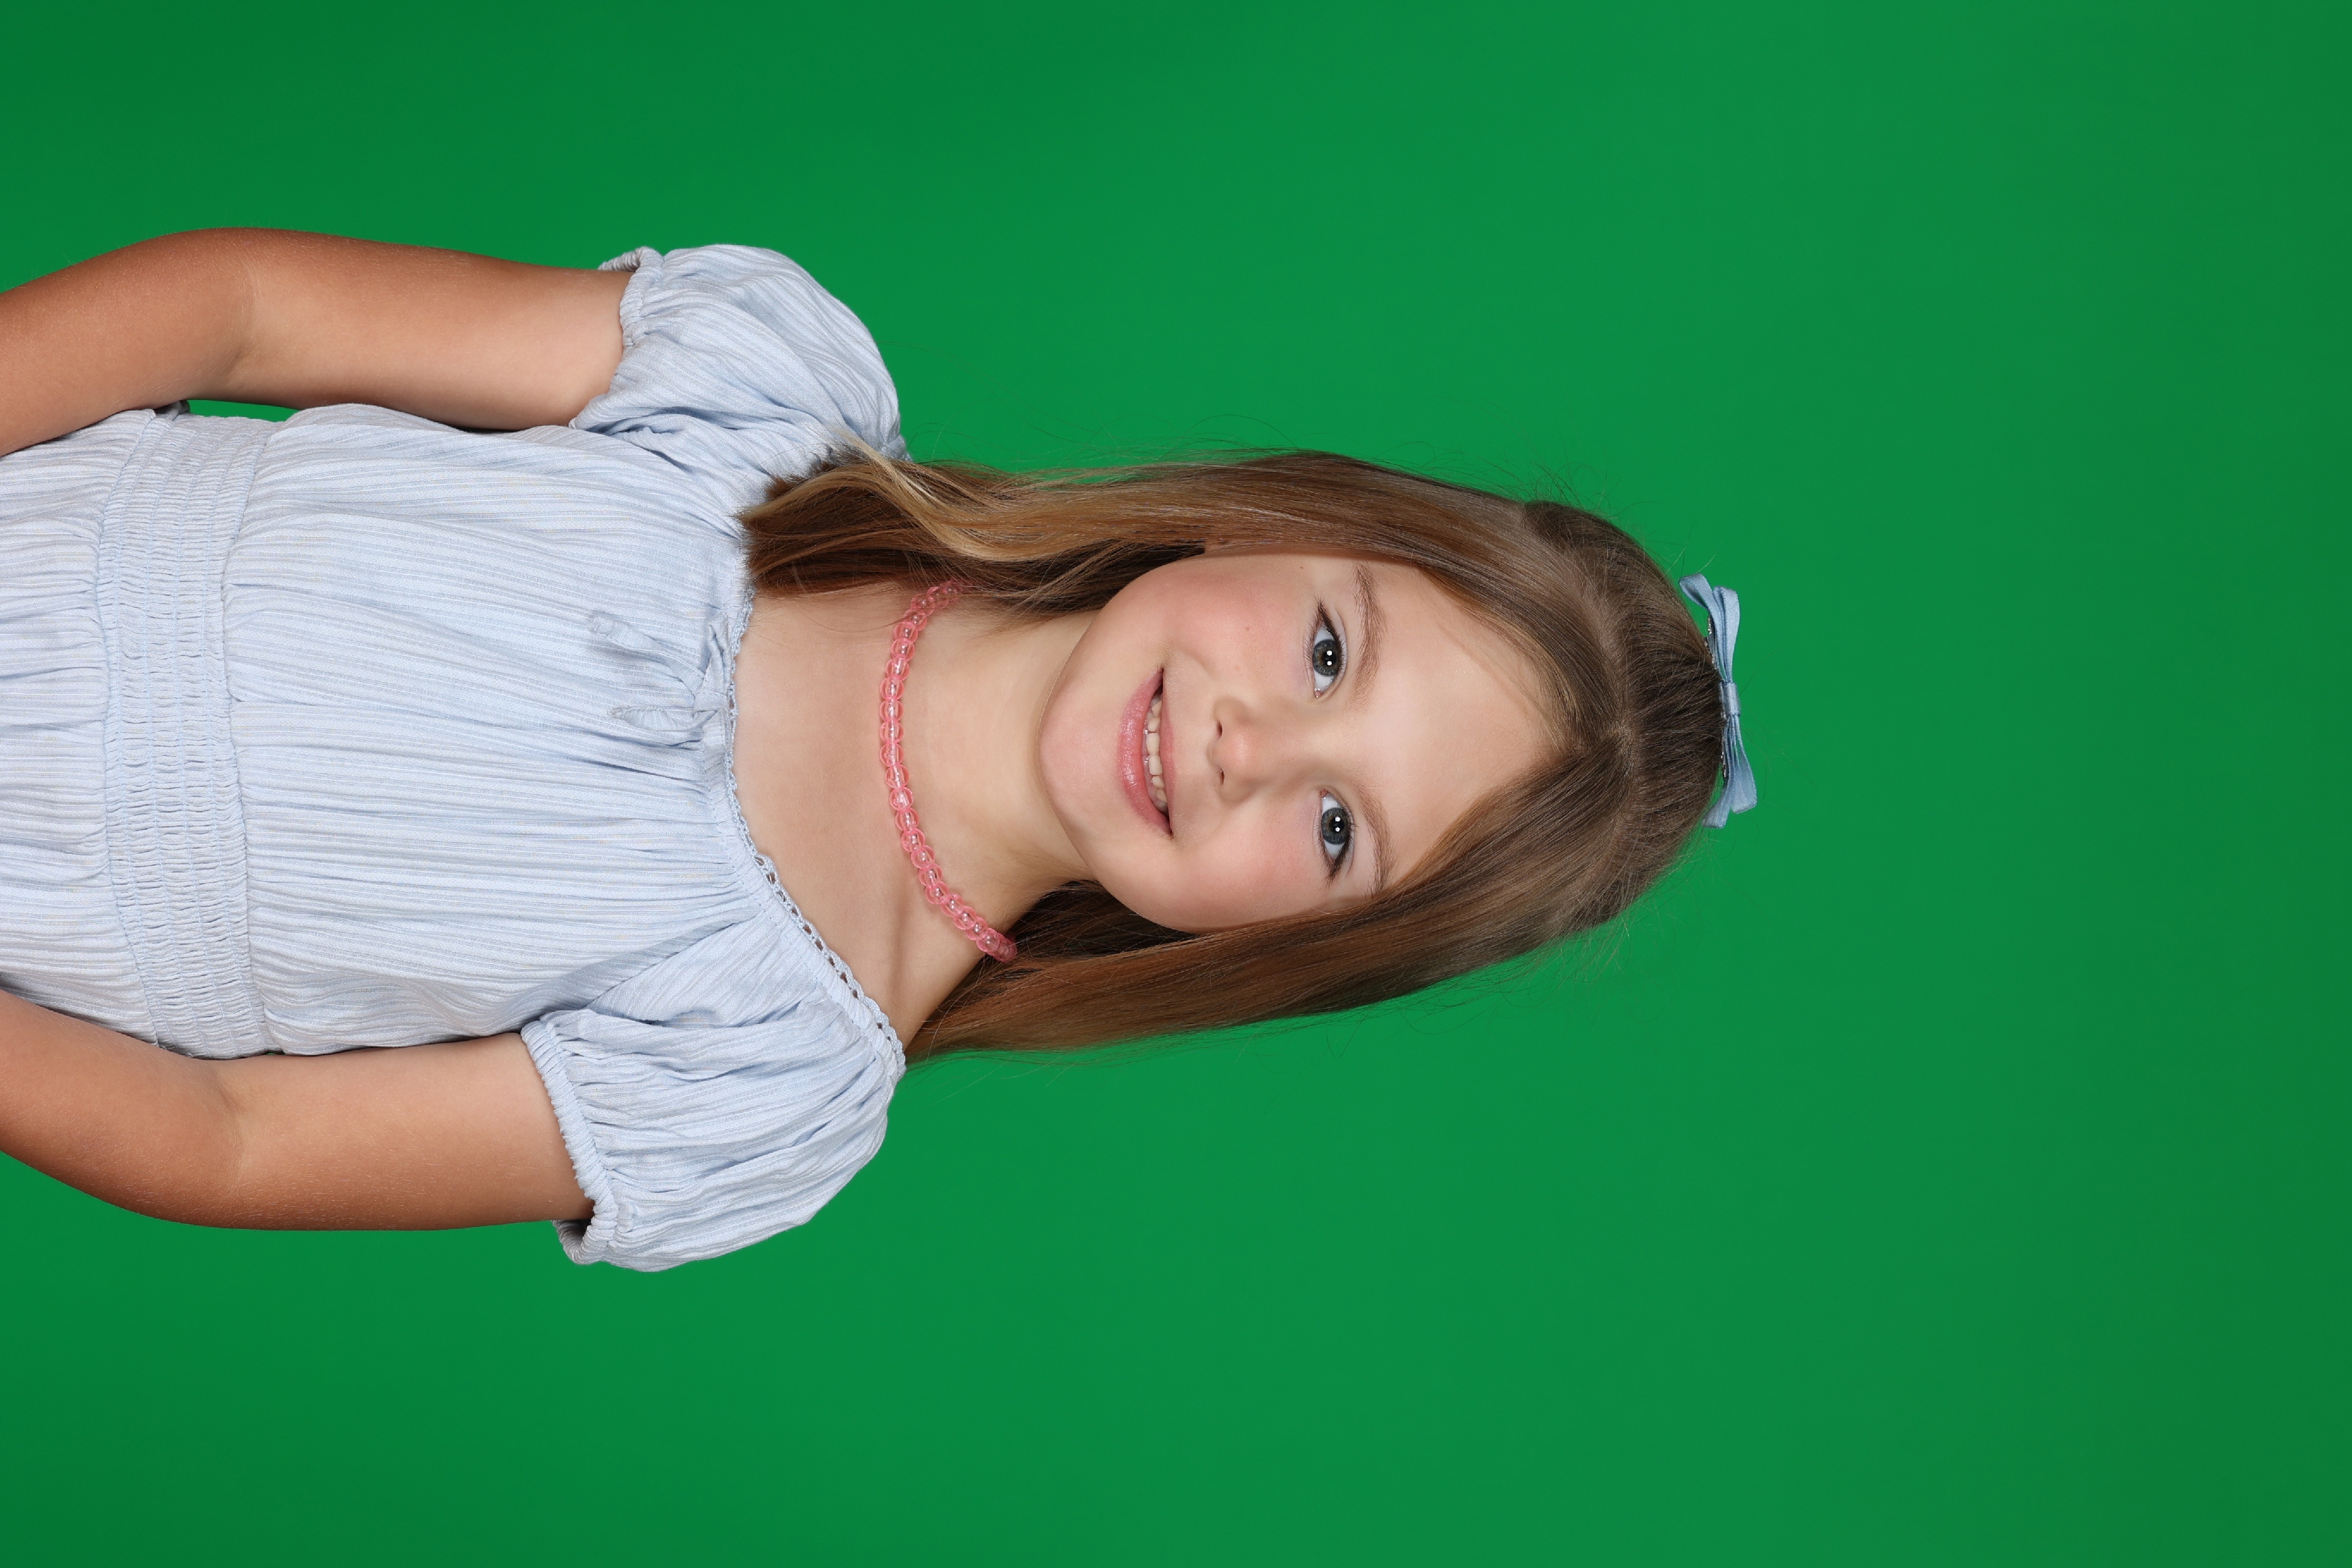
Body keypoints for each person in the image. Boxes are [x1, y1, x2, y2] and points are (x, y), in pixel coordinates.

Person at [0, 230, 1753, 1270]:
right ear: (1277, 527)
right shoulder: (762, 400)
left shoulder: (770, 1084)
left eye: (1338, 828)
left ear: (1290, 945)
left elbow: (229, 1140)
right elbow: (245, 308)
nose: (1248, 749)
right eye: (1323, 653)